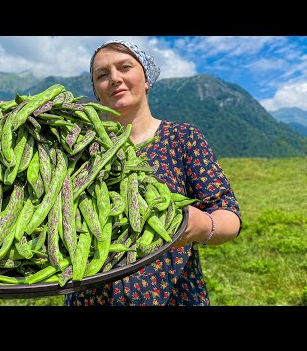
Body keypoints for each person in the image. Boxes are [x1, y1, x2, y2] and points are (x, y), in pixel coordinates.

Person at [64, 39, 242, 306]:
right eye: (102, 75)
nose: (114, 78)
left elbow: (229, 215)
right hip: (90, 299)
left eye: (125, 67)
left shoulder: (182, 138)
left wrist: (203, 225)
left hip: (172, 296)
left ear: (146, 78)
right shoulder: (79, 148)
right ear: (96, 91)